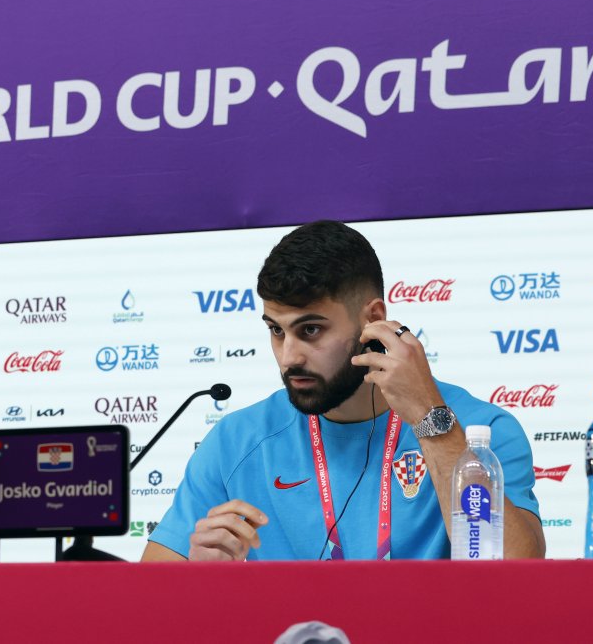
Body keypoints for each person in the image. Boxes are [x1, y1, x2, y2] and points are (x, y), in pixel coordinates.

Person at [142, 221, 546, 561]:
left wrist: (430, 421)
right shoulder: (236, 441)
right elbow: (149, 601)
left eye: (311, 330)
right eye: (276, 331)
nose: (288, 357)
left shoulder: (481, 429)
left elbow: (518, 575)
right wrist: (196, 582)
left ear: (372, 319)